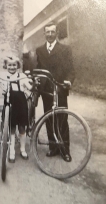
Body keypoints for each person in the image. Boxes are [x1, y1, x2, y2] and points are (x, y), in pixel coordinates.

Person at [36, 21, 75, 162]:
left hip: (60, 88)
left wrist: (69, 81)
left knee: (62, 119)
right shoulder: (39, 50)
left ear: (57, 33)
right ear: (44, 33)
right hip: (46, 90)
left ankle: (65, 150)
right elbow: (37, 68)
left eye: (53, 32)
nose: (50, 34)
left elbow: (71, 70)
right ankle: (53, 147)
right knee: (49, 118)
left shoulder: (65, 49)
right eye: (48, 32)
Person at [1, 55, 32, 163]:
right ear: (6, 66)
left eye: (14, 65)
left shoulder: (22, 75)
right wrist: (4, 89)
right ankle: (12, 150)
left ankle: (22, 149)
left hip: (21, 103)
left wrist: (32, 84)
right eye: (9, 65)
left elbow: (29, 86)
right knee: (12, 127)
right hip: (9, 104)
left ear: (17, 66)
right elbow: (2, 86)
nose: (12, 67)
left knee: (22, 127)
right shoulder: (4, 76)